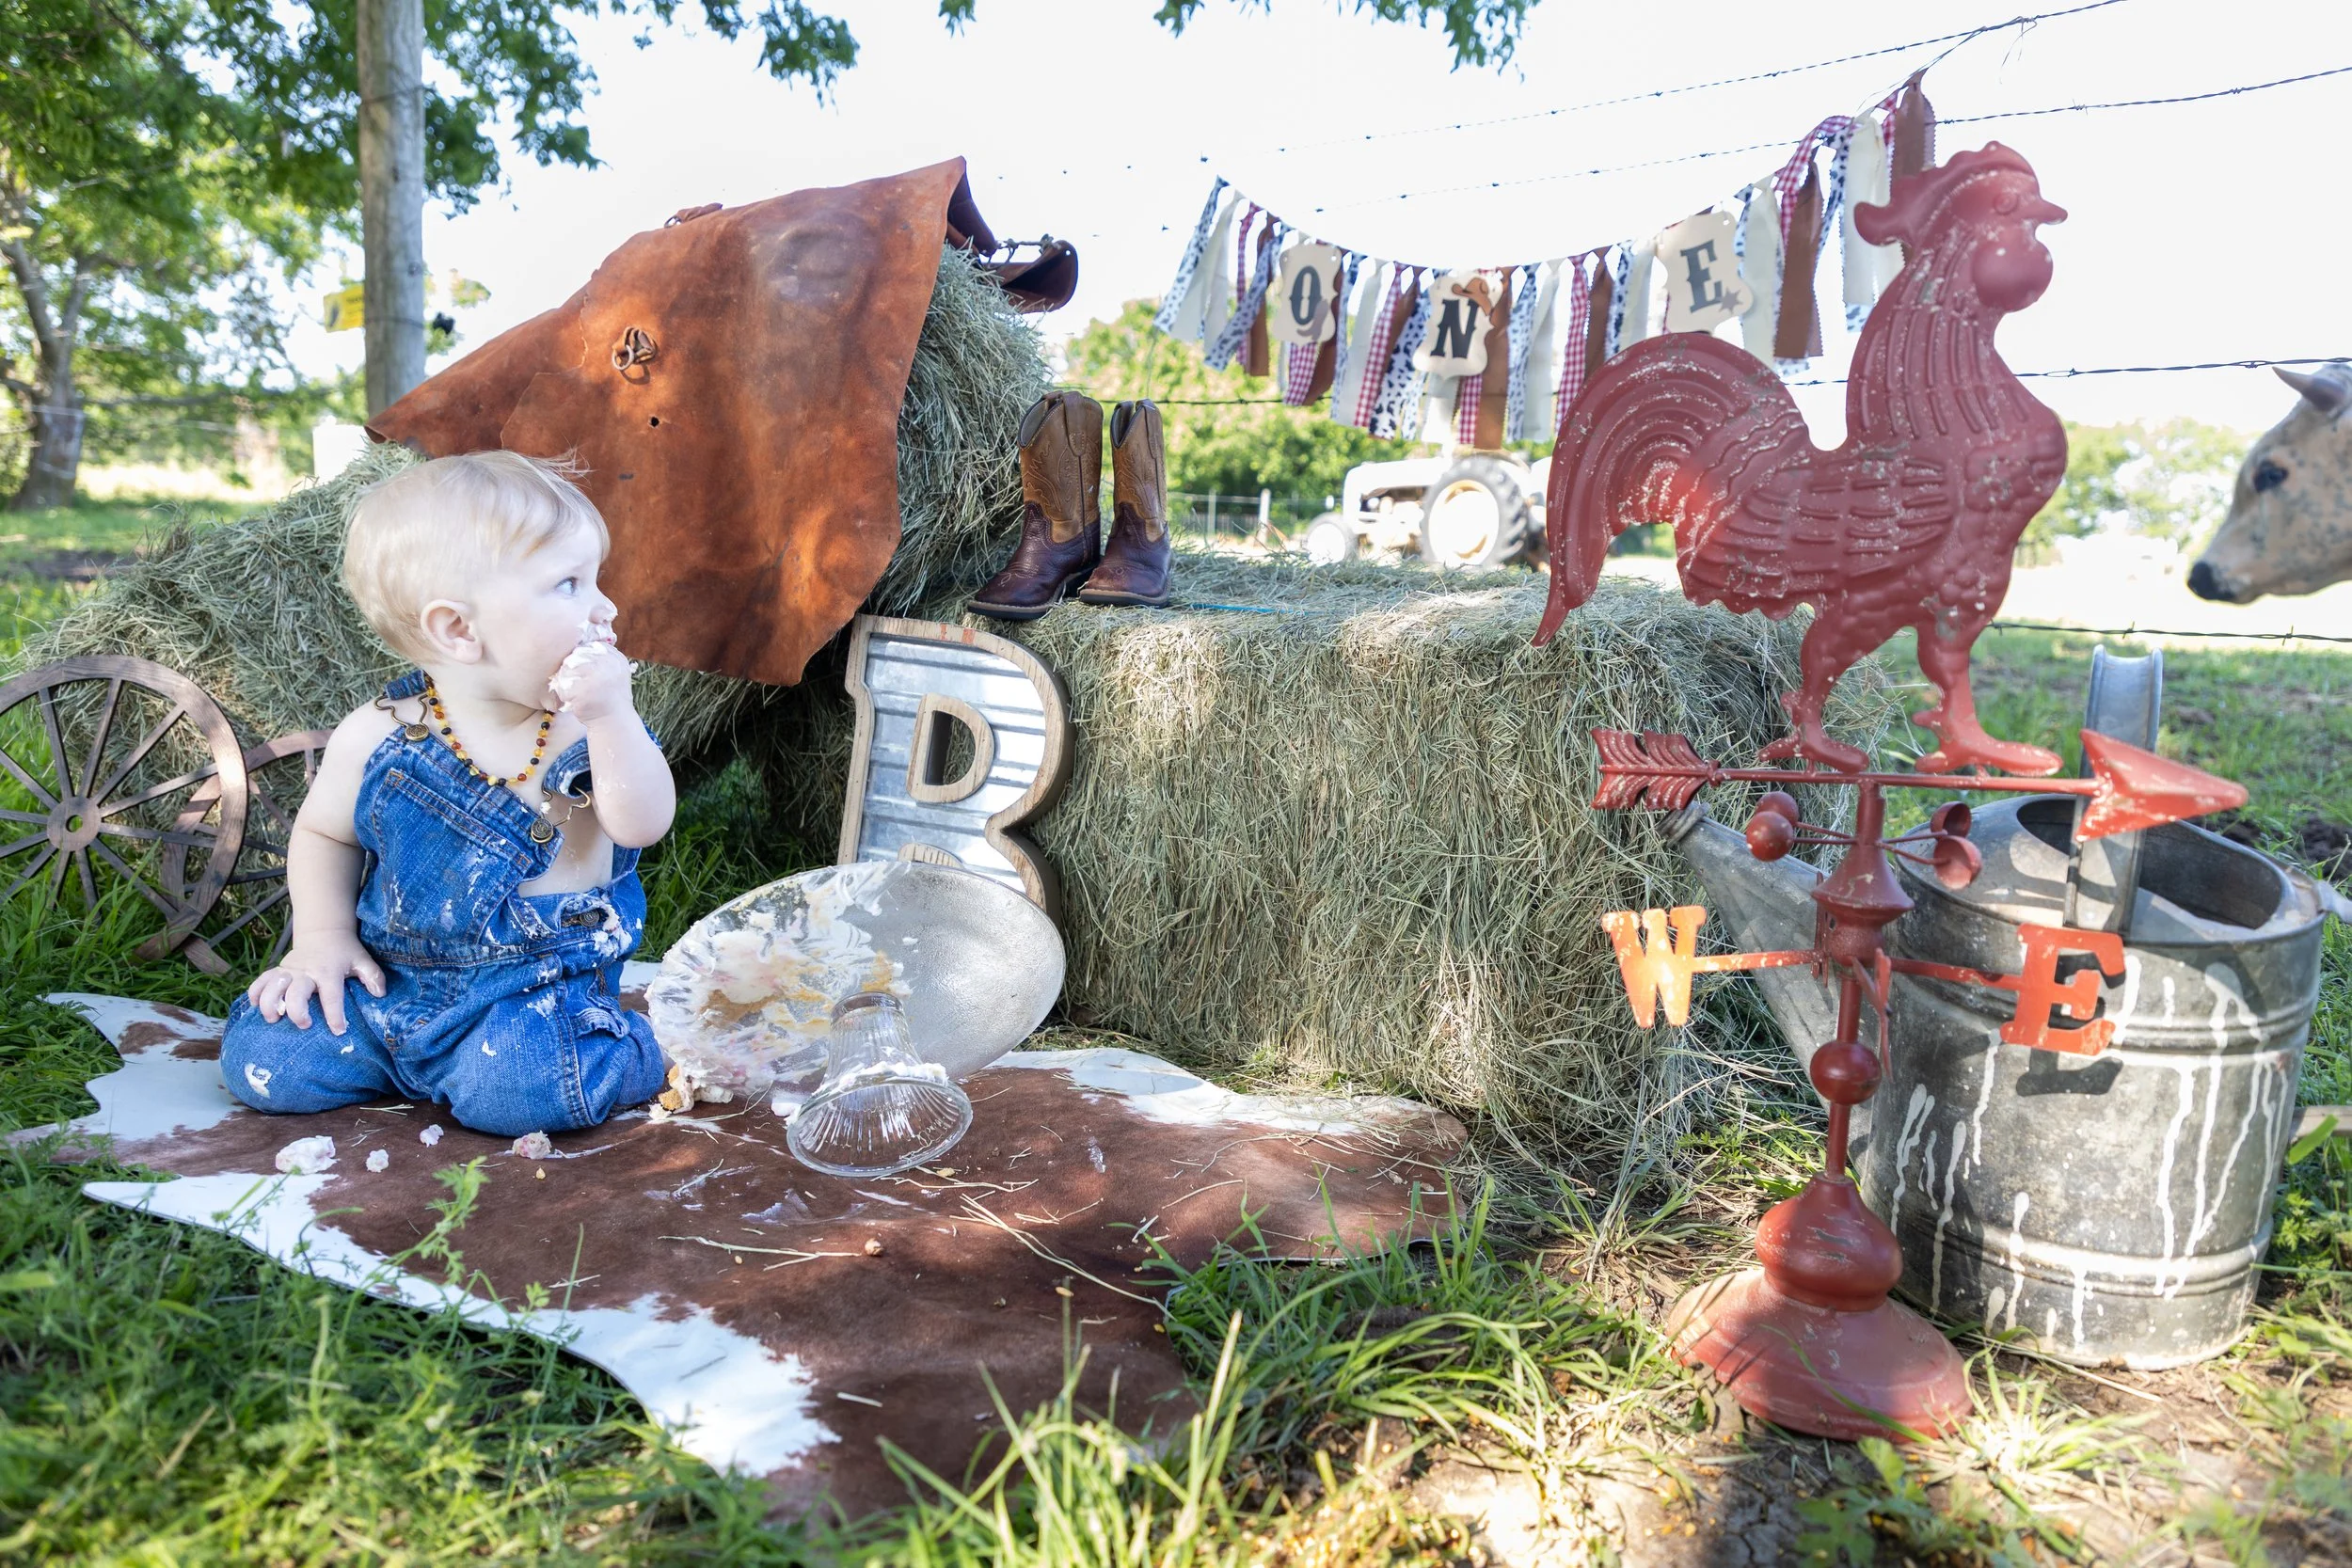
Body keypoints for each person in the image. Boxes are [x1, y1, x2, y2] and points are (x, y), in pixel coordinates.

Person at [219, 451, 673, 1136]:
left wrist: (614, 716)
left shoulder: (588, 729)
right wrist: (321, 939)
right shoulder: (378, 734)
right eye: (570, 584)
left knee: (522, 1091)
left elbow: (642, 823)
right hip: (391, 985)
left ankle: (630, 1048)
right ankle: (416, 1063)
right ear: (458, 630)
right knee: (265, 1057)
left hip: (531, 995)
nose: (606, 607)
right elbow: (323, 834)